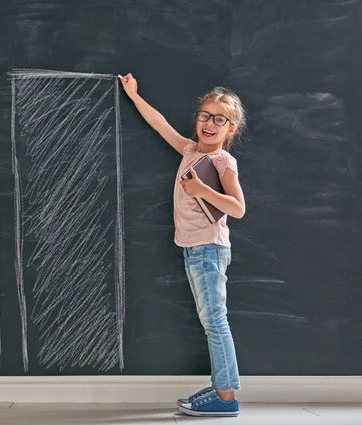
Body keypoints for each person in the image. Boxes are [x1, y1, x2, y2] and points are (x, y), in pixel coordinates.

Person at [120, 73, 246, 418]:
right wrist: (134, 96)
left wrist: (203, 190)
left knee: (215, 321)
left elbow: (238, 208)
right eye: (205, 115)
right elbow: (160, 125)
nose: (209, 123)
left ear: (230, 129)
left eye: (219, 119)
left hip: (208, 249)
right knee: (212, 320)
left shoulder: (222, 161)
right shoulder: (191, 149)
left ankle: (225, 397)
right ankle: (223, 388)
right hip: (195, 249)